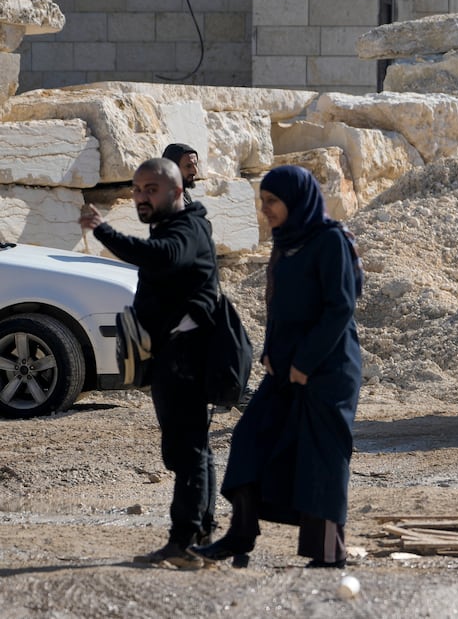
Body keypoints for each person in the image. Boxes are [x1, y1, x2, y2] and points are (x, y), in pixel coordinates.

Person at [192, 165, 363, 569]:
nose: (264, 209)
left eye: (272, 201)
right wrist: (271, 352)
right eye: (262, 200)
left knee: (322, 455)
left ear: (296, 200)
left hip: (328, 367)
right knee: (251, 437)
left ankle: (327, 553)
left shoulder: (329, 241)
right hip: (284, 368)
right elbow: (278, 305)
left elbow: (340, 308)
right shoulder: (286, 243)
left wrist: (305, 362)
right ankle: (241, 534)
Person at [77, 157, 220, 567]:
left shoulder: (186, 228)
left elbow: (161, 257)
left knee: (188, 450)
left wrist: (104, 230)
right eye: (138, 190)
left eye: (151, 190)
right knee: (193, 450)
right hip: (175, 355)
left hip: (187, 358)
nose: (142, 197)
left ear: (176, 192)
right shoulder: (171, 225)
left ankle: (186, 543)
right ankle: (199, 539)